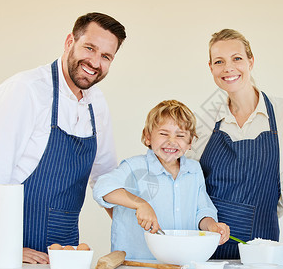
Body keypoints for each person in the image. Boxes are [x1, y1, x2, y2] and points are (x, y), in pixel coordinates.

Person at [0, 12, 126, 264]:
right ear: (69, 42)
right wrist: (11, 248)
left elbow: (105, 179)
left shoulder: (97, 104)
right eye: (89, 48)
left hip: (64, 248)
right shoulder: (25, 90)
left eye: (106, 56)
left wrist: (135, 234)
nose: (95, 62)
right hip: (11, 245)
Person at [188, 29, 283, 259]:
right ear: (211, 68)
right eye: (219, 61)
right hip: (205, 251)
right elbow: (182, 183)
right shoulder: (202, 122)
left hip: (262, 252)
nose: (228, 68)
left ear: (251, 61)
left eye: (237, 58)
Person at [93, 100, 230, 259]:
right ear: (148, 136)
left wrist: (212, 226)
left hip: (181, 261)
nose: (172, 141)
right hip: (137, 264)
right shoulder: (134, 167)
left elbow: (202, 211)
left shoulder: (194, 171)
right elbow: (102, 188)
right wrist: (140, 204)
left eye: (180, 135)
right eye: (164, 134)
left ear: (190, 142)